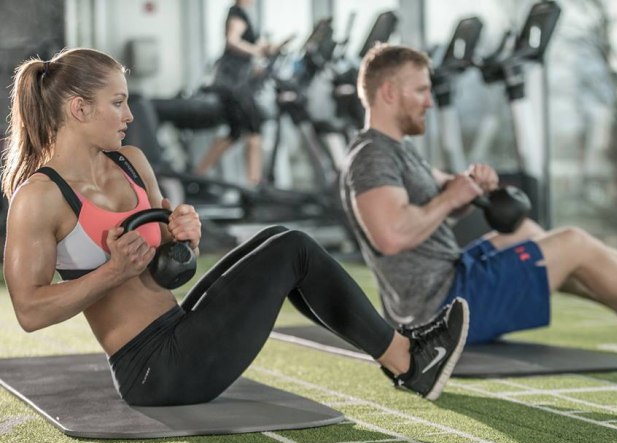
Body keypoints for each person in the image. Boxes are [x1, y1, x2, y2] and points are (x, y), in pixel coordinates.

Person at [1, 47, 469, 405]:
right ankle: (408, 360)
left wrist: (182, 236)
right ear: (80, 109)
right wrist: (112, 272)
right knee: (293, 249)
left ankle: (404, 359)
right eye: (118, 103)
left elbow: (166, 266)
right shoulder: (40, 197)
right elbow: (30, 312)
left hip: (179, 329)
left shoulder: (131, 162)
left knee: (278, 239)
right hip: (152, 371)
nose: (130, 115)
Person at [340, 43, 617, 344]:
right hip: (443, 309)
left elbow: (440, 194)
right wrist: (451, 197)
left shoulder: (396, 149)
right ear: (389, 93)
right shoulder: (373, 156)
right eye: (420, 90)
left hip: (451, 280)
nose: (429, 102)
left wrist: (469, 186)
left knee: (524, 231)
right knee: (572, 242)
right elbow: (391, 236)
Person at [195, 0, 292, 185]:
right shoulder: (237, 13)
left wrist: (273, 47)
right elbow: (232, 41)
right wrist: (256, 51)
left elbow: (250, 46)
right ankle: (254, 184)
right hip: (234, 86)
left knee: (235, 133)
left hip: (236, 85)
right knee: (254, 130)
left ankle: (199, 175)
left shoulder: (241, 14)